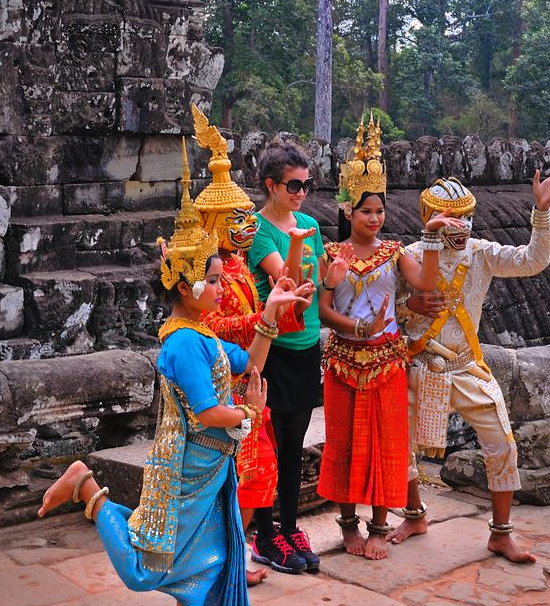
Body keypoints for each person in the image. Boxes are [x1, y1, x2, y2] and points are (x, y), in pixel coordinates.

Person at [37, 140, 310, 606]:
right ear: (184, 286)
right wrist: (250, 413)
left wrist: (271, 316)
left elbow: (247, 361)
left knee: (204, 560)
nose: (219, 286)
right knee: (145, 570)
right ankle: (88, 488)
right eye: (210, 280)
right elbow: (210, 413)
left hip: (211, 468)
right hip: (185, 466)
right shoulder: (183, 343)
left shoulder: (203, 334)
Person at [392, 169, 550, 563]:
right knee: (402, 444)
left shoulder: (481, 253)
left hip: (467, 367)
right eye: (451, 218)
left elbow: (532, 261)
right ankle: (414, 514)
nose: (460, 228)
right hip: (421, 367)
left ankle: (501, 532)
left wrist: (540, 212)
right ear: (429, 217)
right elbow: (385, 312)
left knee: (502, 444)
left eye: (466, 218)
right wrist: (411, 306)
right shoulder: (407, 257)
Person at [317, 115, 464, 560]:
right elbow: (324, 312)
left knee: (387, 444)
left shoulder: (395, 252)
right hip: (343, 359)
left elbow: (426, 287)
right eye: (366, 211)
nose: (375, 219)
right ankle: (348, 524)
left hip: (386, 361)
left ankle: (379, 525)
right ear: (348, 211)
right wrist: (355, 325)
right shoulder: (331, 254)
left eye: (380, 211)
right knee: (342, 443)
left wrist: (432, 239)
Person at [190, 105, 314, 580]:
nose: (245, 225)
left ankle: (237, 551)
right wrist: (265, 315)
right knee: (229, 475)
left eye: (245, 216)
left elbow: (275, 318)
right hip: (216, 387)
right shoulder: (207, 273)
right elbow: (213, 329)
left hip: (247, 379)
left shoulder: (237, 268)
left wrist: (277, 311)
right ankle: (226, 553)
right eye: (236, 218)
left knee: (257, 470)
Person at [247, 137, 345, 573]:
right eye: (293, 185)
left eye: (306, 184)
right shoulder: (259, 230)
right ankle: (265, 533)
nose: (301, 193)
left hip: (306, 347)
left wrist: (333, 279)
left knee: (292, 446)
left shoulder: (309, 224)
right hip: (274, 351)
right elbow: (283, 282)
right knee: (266, 446)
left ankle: (290, 527)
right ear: (271, 185)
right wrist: (301, 252)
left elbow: (320, 284)